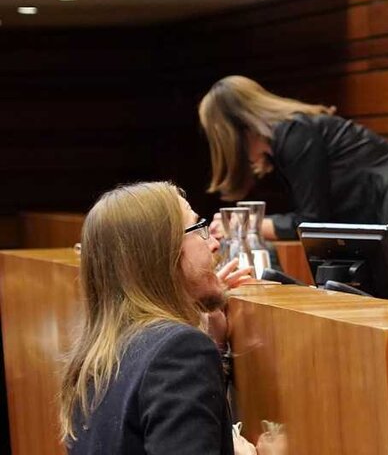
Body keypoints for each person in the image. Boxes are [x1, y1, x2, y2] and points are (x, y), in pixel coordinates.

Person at [59, 182, 257, 454]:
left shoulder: (97, 354)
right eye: (199, 229)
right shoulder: (179, 351)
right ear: (163, 253)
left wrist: (211, 342)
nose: (213, 242)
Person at [199, 76, 388, 241]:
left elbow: (313, 222)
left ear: (234, 130)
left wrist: (248, 225)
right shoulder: (287, 140)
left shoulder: (295, 133)